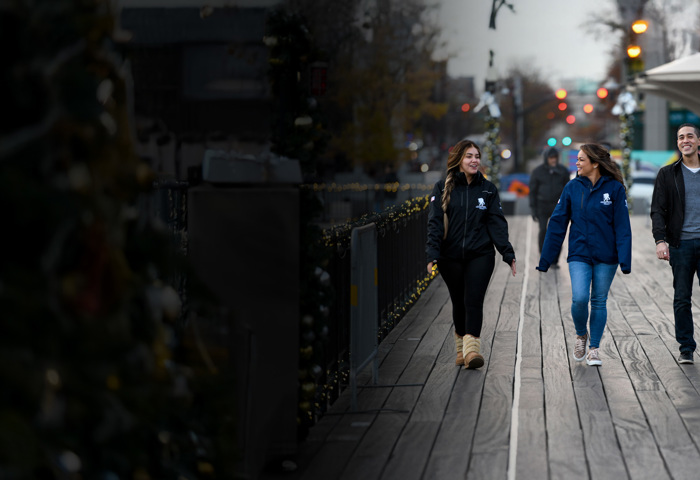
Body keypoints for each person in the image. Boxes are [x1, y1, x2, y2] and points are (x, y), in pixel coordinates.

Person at [536, 143, 631, 367]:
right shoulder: (571, 188)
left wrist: (625, 260)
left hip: (607, 256)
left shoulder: (615, 189)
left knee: (599, 301)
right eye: (577, 159)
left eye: (581, 159)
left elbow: (622, 227)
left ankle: (594, 348)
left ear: (595, 163)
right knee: (580, 299)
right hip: (579, 253)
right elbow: (557, 224)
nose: (576, 163)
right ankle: (581, 335)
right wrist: (545, 259)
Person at [426, 139, 517, 369]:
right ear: (459, 160)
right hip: (450, 257)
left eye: (477, 156)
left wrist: (507, 253)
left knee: (473, 300)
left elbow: (497, 223)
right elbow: (435, 223)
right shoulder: (442, 187)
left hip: (481, 255)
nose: (474, 160)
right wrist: (432, 253)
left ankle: (472, 352)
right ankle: (461, 350)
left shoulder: (487, 189)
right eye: (469, 156)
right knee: (459, 302)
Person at [650, 123, 700, 365]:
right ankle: (686, 348)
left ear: (698, 141)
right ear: (678, 143)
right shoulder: (667, 174)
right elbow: (657, 210)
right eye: (681, 137)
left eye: (690, 136)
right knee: (682, 297)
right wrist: (660, 240)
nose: (685, 140)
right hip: (680, 245)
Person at [529, 146, 570, 268]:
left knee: (556, 232)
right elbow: (532, 191)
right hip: (542, 205)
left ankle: (555, 259)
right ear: (546, 158)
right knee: (543, 231)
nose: (553, 160)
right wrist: (533, 209)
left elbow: (567, 189)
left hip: (557, 206)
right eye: (551, 158)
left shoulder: (563, 171)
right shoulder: (538, 172)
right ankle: (544, 257)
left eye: (555, 158)